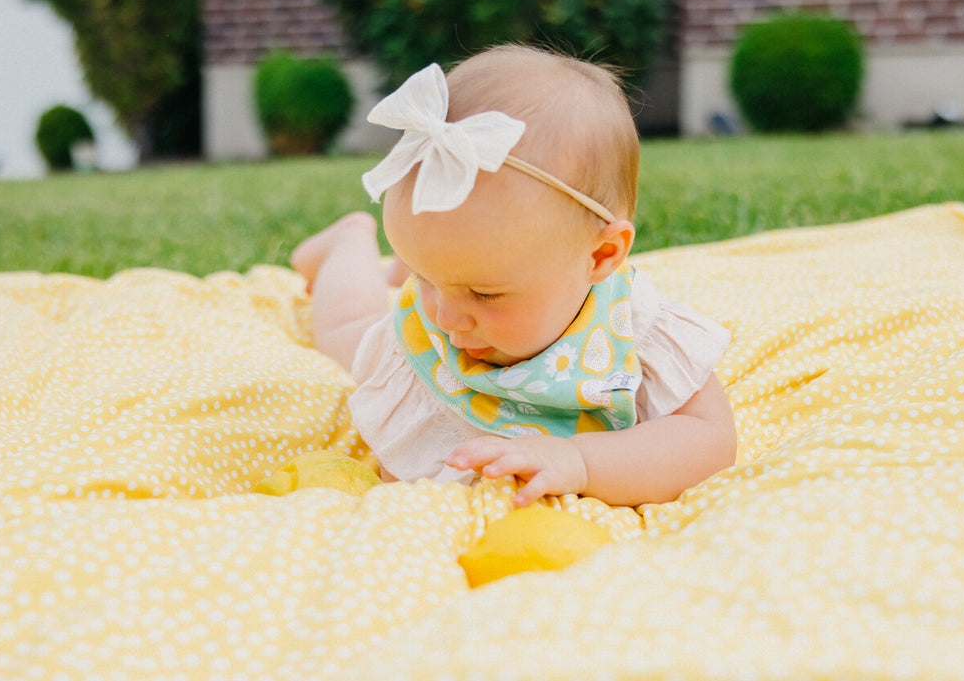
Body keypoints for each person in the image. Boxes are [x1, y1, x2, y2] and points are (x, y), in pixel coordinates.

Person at [291, 45, 736, 507]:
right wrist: (451, 280)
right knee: (346, 329)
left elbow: (710, 440)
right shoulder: (431, 327)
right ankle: (350, 242)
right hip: (433, 363)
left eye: (484, 293)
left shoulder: (637, 331)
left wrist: (580, 460)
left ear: (601, 255)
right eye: (424, 277)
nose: (444, 317)